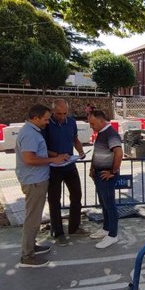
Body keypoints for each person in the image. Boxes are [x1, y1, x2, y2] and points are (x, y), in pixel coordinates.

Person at [15, 104, 69, 268]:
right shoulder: (30, 134)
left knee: (34, 217)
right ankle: (27, 256)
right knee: (33, 218)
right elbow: (29, 159)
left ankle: (31, 246)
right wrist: (54, 160)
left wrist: (56, 155)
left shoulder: (31, 131)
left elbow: (39, 152)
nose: (47, 122)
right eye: (45, 119)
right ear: (35, 118)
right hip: (34, 181)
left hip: (36, 180)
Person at [43, 99, 87, 247]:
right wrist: (56, 156)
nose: (62, 116)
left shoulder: (72, 122)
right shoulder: (47, 125)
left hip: (70, 165)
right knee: (54, 200)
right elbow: (41, 147)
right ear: (52, 111)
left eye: (64, 113)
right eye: (58, 113)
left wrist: (80, 151)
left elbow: (75, 139)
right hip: (53, 167)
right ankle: (58, 232)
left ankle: (74, 227)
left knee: (77, 195)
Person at [87, 109, 123, 249]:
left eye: (93, 123)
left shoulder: (110, 133)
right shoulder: (101, 133)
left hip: (106, 175)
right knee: (104, 204)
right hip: (99, 174)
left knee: (110, 205)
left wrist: (113, 172)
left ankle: (113, 235)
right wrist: (92, 168)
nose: (91, 126)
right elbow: (97, 153)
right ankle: (106, 228)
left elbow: (119, 153)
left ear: (102, 121)